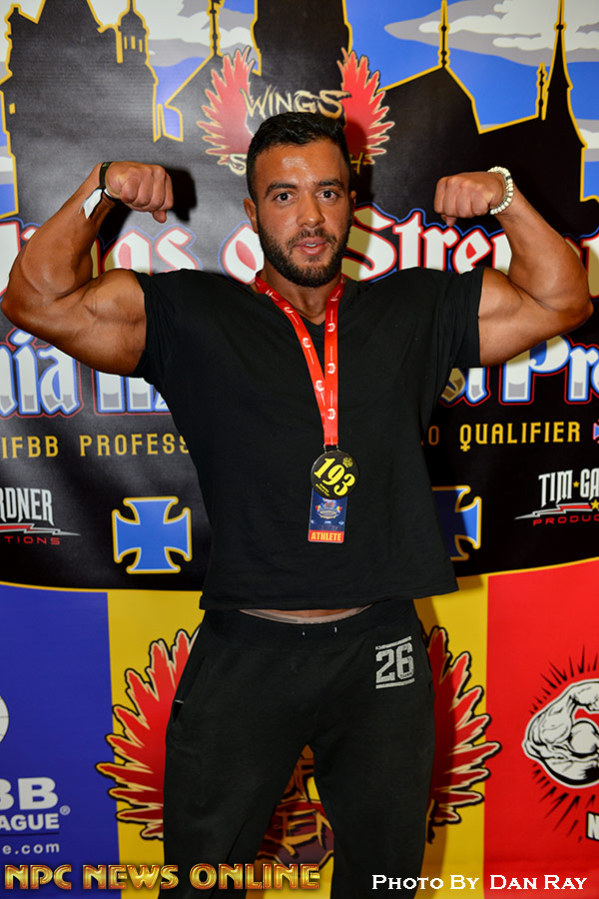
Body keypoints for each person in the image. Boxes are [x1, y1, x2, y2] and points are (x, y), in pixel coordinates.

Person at [3, 113, 591, 897]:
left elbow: (560, 300)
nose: (309, 217)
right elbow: (36, 299)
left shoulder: (414, 307)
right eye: (284, 196)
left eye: (327, 192)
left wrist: (506, 198)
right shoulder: (191, 313)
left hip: (379, 646)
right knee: (201, 881)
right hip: (247, 648)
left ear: (352, 204)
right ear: (252, 213)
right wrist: (101, 191)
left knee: (383, 882)